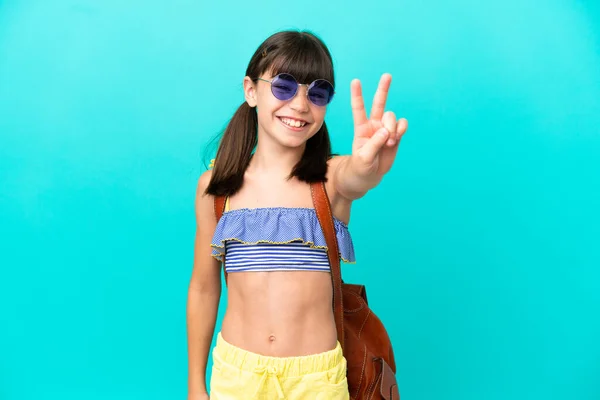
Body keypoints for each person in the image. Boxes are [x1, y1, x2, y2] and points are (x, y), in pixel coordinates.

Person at [186, 30, 408, 400]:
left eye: (317, 93)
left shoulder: (329, 179)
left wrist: (370, 166)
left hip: (316, 380)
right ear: (251, 90)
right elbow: (204, 288)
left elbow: (356, 176)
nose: (301, 104)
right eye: (284, 86)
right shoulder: (216, 187)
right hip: (236, 376)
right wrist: (196, 384)